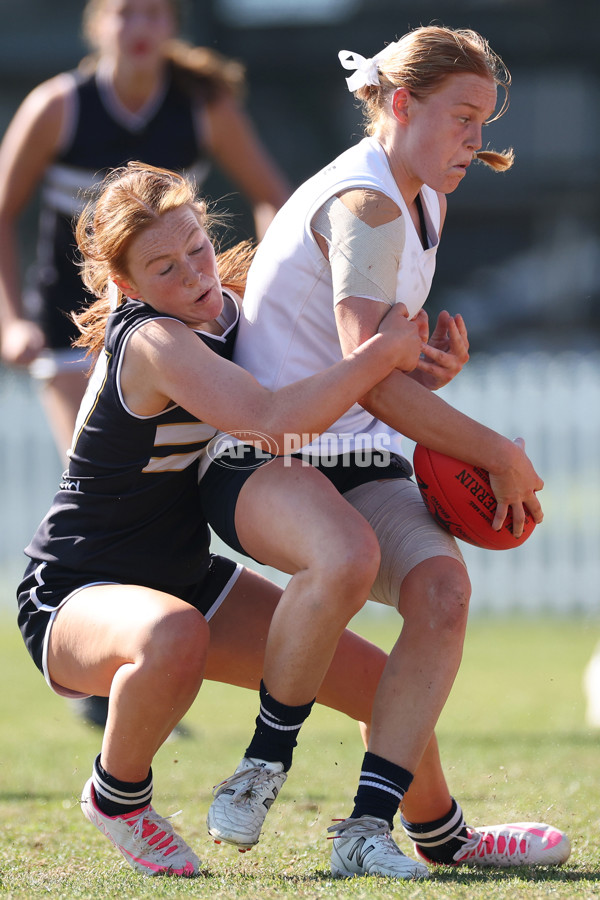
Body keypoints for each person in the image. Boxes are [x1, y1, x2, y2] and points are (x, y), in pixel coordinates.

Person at [200, 26, 570, 878]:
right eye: (462, 117)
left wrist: (429, 373)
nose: (476, 141)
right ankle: (262, 765)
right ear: (401, 105)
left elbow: (374, 372)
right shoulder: (367, 203)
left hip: (356, 456)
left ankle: (367, 830)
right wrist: (495, 453)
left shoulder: (425, 196)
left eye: (485, 120)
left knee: (443, 593)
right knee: (347, 555)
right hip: (264, 455)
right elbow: (364, 376)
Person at [15, 160, 428, 877]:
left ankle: (444, 829)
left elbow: (322, 362)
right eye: (164, 268)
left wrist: (418, 366)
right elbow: (273, 421)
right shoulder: (151, 339)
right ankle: (119, 796)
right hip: (73, 591)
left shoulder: (229, 307)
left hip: (185, 578)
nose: (195, 275)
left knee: (374, 678)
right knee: (174, 635)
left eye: (197, 249)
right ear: (126, 287)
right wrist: (379, 355)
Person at [0, 0, 290, 464]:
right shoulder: (56, 107)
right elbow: (3, 211)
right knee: (97, 475)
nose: (139, 26)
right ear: (96, 24)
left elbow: (273, 199)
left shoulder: (203, 109)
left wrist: (268, 295)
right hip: (72, 327)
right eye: (125, 12)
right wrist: (10, 322)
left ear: (173, 27)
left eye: (154, 13)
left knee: (184, 482)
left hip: (180, 326)